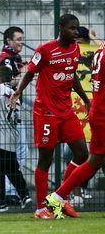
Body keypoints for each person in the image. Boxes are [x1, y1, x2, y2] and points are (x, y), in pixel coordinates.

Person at [10, 14, 89, 219]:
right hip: (46, 112)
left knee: (82, 153)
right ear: (61, 28)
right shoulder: (45, 50)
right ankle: (40, 208)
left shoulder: (74, 48)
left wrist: (86, 100)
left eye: (77, 28)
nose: (76, 32)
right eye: (72, 28)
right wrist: (18, 92)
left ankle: (58, 199)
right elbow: (29, 73)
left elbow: (71, 77)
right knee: (45, 160)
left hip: (66, 111)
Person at [46, 39, 105, 218]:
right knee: (93, 160)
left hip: (98, 110)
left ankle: (56, 197)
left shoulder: (100, 51)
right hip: (103, 112)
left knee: (94, 161)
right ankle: (57, 196)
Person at [0, 59, 31, 214]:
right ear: (12, 79)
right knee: (12, 170)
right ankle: (25, 196)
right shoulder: (14, 92)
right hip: (11, 137)